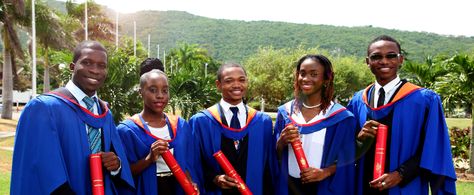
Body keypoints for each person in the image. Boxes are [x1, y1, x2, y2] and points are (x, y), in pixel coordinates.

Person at [10, 41, 134, 194]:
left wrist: (116, 166)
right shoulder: (44, 108)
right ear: (72, 66)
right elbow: (42, 171)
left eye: (102, 66)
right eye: (87, 63)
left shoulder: (104, 112)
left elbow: (115, 160)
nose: (95, 70)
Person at [347, 35, 456, 194]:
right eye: (376, 57)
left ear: (401, 59)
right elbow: (345, 150)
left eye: (391, 56)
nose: (384, 61)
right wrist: (358, 139)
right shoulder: (358, 101)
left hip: (405, 186)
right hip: (364, 186)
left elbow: (434, 149)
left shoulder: (424, 100)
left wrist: (401, 174)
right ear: (367, 62)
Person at [189, 63, 277, 194]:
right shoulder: (201, 121)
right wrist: (214, 178)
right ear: (218, 85)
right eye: (229, 81)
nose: (236, 85)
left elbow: (269, 165)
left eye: (242, 80)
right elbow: (194, 163)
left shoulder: (262, 122)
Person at [274, 54, 356, 195]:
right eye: (302, 73)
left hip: (323, 187)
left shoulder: (341, 118)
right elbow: (273, 154)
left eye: (314, 74)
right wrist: (281, 142)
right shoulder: (285, 113)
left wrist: (325, 172)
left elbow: (348, 159)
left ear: (326, 79)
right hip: (288, 186)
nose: (306, 79)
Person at [117, 69, 197, 194]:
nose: (160, 95)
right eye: (153, 90)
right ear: (140, 92)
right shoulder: (127, 130)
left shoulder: (180, 126)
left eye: (165, 90)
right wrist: (149, 159)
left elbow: (187, 164)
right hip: (147, 188)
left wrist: (190, 182)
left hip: (177, 188)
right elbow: (122, 173)